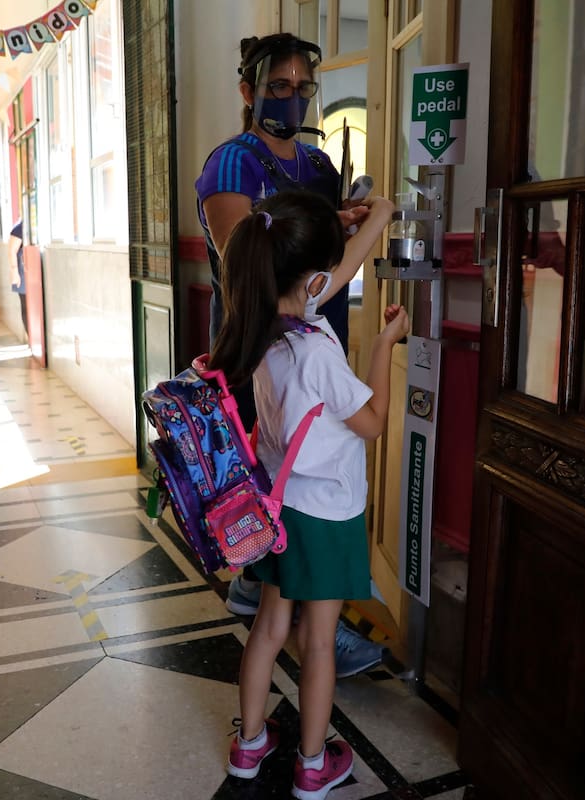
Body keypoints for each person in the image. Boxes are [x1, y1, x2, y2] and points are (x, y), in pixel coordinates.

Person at [194, 32, 384, 680]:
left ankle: (280, 600)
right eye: (279, 87)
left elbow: (311, 247)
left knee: (309, 476)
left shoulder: (319, 165)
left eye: (304, 88)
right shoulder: (232, 165)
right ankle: (299, 614)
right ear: (249, 91)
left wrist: (339, 224)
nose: (293, 99)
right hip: (264, 350)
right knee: (284, 486)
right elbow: (249, 267)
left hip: (317, 342)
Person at [211, 190, 406, 798]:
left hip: (277, 508)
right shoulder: (317, 350)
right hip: (325, 513)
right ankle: (313, 765)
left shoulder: (263, 328)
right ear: (313, 280)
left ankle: (249, 747)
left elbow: (332, 275)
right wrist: (384, 345)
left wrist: (376, 218)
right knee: (318, 641)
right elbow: (372, 423)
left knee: (269, 627)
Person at [8, 219, 28, 335]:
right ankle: (31, 337)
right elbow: (11, 251)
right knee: (26, 307)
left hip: (30, 273)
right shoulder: (19, 228)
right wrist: (15, 273)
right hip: (22, 274)